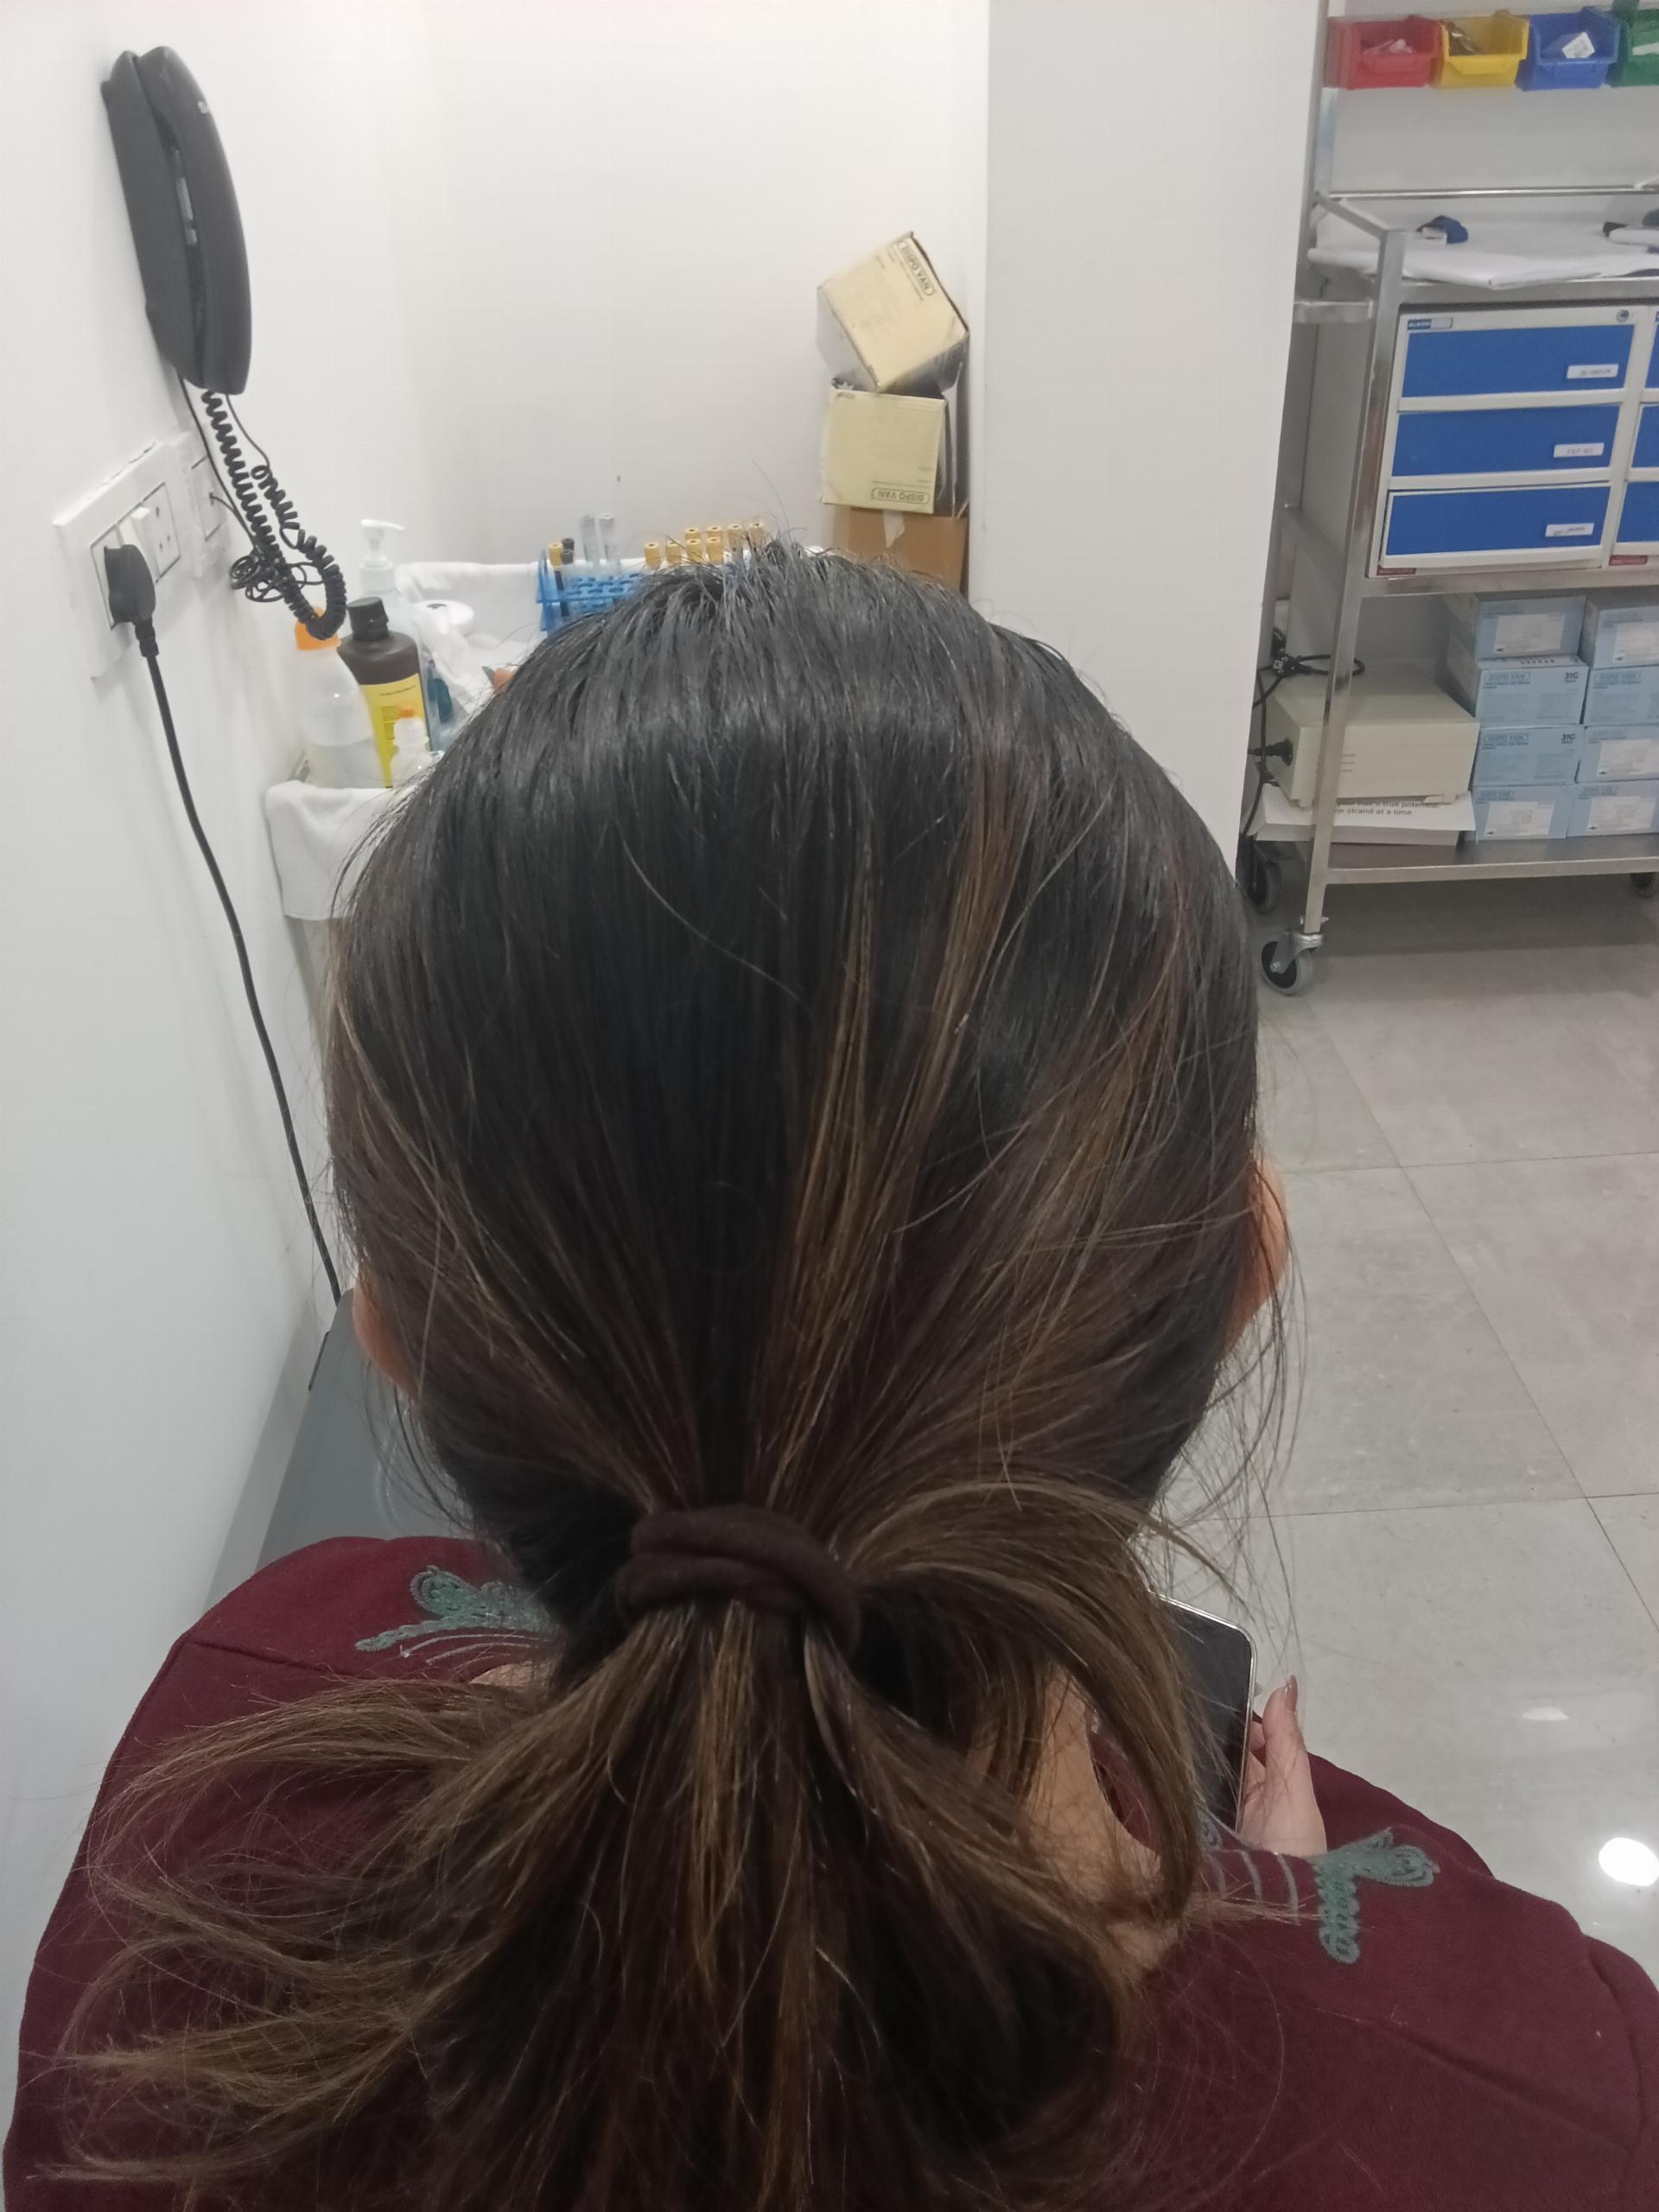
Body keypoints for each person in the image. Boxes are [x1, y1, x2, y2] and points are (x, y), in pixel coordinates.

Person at [7, 549, 1656, 2211]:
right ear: (1240, 1282)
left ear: (396, 1349)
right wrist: (1290, 1949)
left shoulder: (194, 1862)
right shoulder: (1559, 2108)